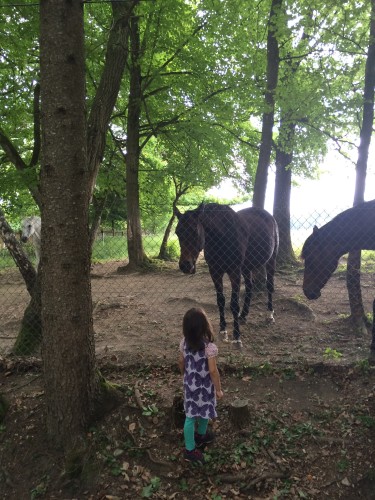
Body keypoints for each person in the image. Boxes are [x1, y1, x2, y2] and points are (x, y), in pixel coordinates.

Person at [178, 307, 223, 463]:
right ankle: (191, 449)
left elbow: (181, 362)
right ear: (205, 326)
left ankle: (200, 436)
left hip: (190, 387)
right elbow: (213, 370)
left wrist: (184, 375)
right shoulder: (209, 348)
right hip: (205, 388)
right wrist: (218, 389)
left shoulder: (184, 343)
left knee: (190, 415)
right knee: (204, 410)